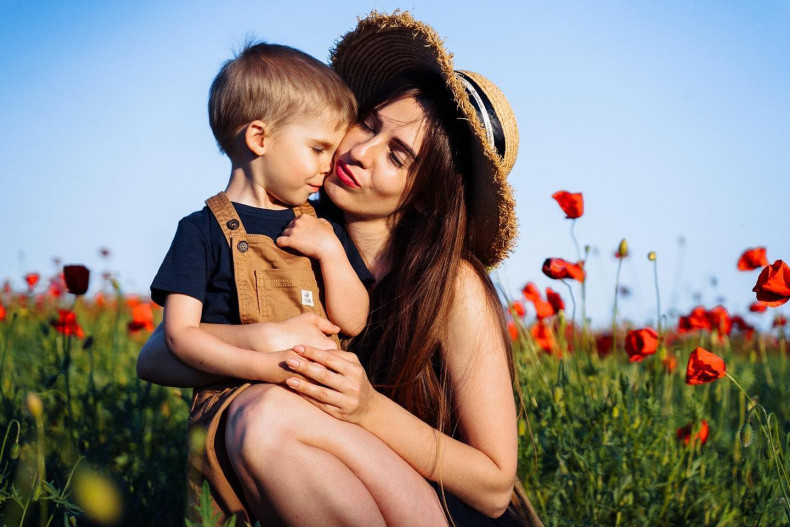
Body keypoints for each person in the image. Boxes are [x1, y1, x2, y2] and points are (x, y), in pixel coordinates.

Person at [138, 11, 542, 527]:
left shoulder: (452, 288)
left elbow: (494, 487)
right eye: (368, 124)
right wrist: (270, 339)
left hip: (443, 511)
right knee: (258, 416)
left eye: (397, 157)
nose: (360, 152)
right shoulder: (287, 232)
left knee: (264, 418)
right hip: (329, 484)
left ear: (427, 197)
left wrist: (367, 408)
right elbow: (157, 357)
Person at [144, 41, 374, 523]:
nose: (329, 165)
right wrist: (266, 367)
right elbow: (180, 336)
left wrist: (331, 252)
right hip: (233, 411)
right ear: (259, 138)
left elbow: (353, 320)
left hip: (320, 408)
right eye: (318, 149)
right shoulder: (200, 231)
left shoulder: (319, 227)